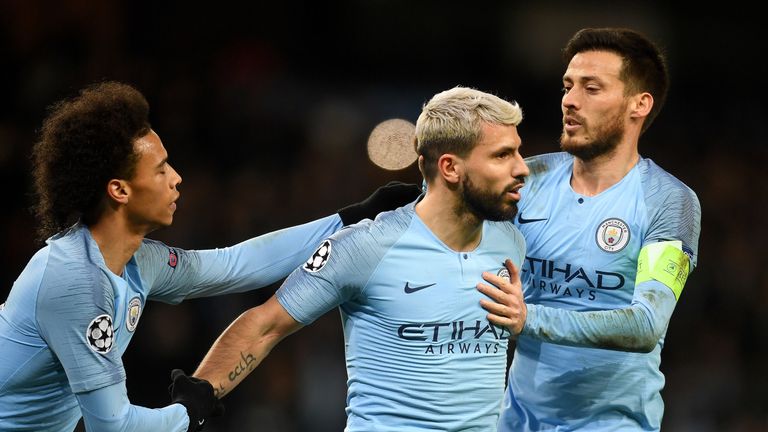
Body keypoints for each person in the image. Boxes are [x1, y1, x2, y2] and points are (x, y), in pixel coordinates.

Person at [0, 81, 420, 432]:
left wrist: (347, 218)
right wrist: (190, 408)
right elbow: (114, 426)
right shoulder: (77, 282)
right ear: (120, 190)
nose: (177, 178)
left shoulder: (135, 262)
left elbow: (233, 264)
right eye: (161, 169)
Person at [175, 86, 530, 431]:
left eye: (517, 152)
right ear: (450, 168)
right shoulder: (368, 246)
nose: (521, 168)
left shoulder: (509, 242)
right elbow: (265, 325)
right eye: (502, 155)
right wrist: (198, 396)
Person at [485, 28, 702, 431]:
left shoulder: (668, 200)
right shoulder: (527, 179)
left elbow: (646, 324)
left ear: (639, 104)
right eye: (568, 86)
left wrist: (528, 318)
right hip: (516, 422)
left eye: (592, 88)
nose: (570, 100)